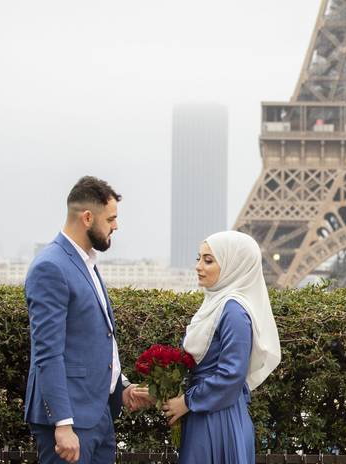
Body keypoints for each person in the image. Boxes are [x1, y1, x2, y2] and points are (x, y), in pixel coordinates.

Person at [24, 176, 152, 464]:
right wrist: (62, 424)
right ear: (87, 217)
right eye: (111, 219)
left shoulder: (85, 262)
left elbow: (92, 341)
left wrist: (123, 387)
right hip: (71, 423)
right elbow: (48, 353)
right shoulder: (51, 267)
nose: (116, 226)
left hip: (98, 415)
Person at [162, 231, 281, 464]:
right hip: (205, 412)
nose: (198, 266)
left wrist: (186, 402)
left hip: (218, 418)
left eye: (208, 260)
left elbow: (231, 375)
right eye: (199, 258)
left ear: (233, 266)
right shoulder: (217, 305)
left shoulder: (234, 311)